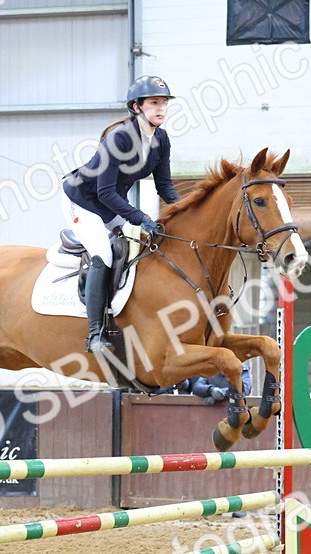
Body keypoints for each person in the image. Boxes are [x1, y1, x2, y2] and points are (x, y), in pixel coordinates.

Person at [62, 75, 181, 353]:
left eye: (164, 103)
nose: (161, 108)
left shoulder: (161, 139)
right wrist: (141, 218)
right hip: (81, 200)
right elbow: (104, 192)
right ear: (137, 107)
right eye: (154, 103)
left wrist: (185, 210)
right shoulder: (120, 138)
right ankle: (95, 333)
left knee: (133, 249)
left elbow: (164, 186)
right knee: (103, 252)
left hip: (109, 204)